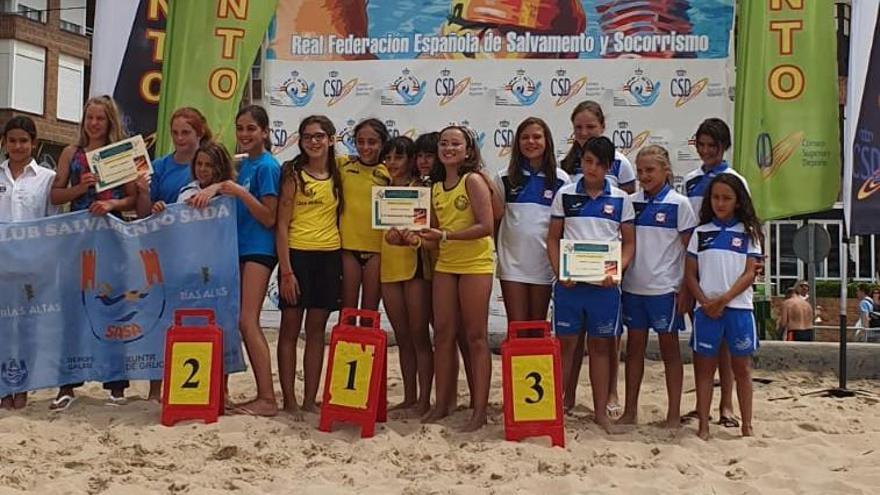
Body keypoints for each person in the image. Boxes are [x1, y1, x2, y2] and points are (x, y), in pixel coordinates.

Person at [191, 105, 281, 416]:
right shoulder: (242, 164)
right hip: (236, 247)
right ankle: (228, 392)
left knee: (247, 320)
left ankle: (267, 398)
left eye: (251, 129)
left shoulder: (267, 166)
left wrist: (238, 191)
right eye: (240, 128)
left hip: (258, 248)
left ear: (265, 132)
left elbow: (269, 217)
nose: (244, 134)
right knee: (234, 320)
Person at [49, 95, 137, 410]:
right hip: (77, 239)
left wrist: (111, 203)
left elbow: (131, 198)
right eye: (90, 118)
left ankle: (116, 385)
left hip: (112, 238)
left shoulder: (119, 153)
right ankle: (67, 384)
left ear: (109, 121)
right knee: (73, 310)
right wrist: (80, 188)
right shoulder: (71, 153)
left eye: (100, 118)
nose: (94, 124)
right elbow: (56, 193)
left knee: (112, 308)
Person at [547, 136, 635, 432]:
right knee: (565, 347)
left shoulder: (622, 199)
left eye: (599, 163)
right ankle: (556, 408)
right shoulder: (565, 194)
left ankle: (599, 413)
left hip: (605, 288)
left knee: (600, 347)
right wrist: (560, 271)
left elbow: (629, 244)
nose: (592, 168)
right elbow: (552, 238)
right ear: (581, 161)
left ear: (609, 167)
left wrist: (617, 271)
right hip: (570, 286)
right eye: (587, 161)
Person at [418, 125, 495, 432]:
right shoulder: (435, 187)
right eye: (444, 143)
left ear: (468, 150)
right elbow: (433, 238)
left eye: (455, 143)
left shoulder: (473, 180)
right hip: (447, 264)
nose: (448, 148)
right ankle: (442, 403)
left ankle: (479, 410)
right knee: (443, 336)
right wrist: (410, 239)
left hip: (475, 263)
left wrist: (445, 235)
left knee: (476, 337)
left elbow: (486, 225)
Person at [619, 145, 696, 428]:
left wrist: (686, 289)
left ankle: (673, 414)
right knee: (634, 351)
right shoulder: (630, 202)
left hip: (665, 290)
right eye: (639, 170)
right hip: (633, 288)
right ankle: (630, 411)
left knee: (670, 353)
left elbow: (691, 253)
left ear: (666, 171)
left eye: (650, 170)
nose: (644, 176)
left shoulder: (680, 204)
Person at [681, 117, 747, 429]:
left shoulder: (735, 178)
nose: (706, 151)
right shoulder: (691, 180)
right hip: (699, 267)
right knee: (703, 343)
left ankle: (727, 404)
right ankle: (702, 405)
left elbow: (746, 224)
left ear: (724, 147)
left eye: (713, 146)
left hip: (725, 269)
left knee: (727, 348)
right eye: (702, 144)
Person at [274, 115, 343, 417]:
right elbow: (281, 226)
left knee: (316, 332)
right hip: (298, 256)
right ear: (300, 142)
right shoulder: (293, 174)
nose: (313, 142)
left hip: (330, 257)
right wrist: (286, 271)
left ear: (330, 139)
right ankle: (289, 399)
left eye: (319, 136)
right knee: (290, 330)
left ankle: (309, 400)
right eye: (307, 137)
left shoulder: (340, 173)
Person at [685, 173, 762, 440]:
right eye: (716, 197)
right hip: (706, 311)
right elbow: (690, 274)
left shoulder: (749, 233)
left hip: (738, 309)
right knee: (705, 369)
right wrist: (706, 302)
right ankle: (703, 425)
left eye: (726, 198)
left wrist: (724, 299)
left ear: (738, 202)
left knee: (742, 368)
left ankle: (747, 425)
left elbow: (750, 274)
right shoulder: (700, 232)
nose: (720, 203)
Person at [0, 116, 56, 410]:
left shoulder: (47, 178)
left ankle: (22, 386)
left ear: (33, 143)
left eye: (23, 141)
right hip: (1, 265)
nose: (18, 146)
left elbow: (53, 221)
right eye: (12, 141)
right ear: (5, 143)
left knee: (26, 329)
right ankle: (2, 388)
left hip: (33, 266)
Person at [495, 117, 570, 323]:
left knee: (537, 326)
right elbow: (496, 221)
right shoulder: (504, 177)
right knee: (517, 325)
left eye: (537, 137)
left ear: (547, 142)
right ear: (517, 143)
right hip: (512, 265)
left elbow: (564, 227)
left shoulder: (561, 178)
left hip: (544, 264)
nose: (531, 142)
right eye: (525, 137)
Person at [381, 136, 433, 415]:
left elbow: (428, 233)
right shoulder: (382, 188)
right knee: (402, 337)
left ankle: (425, 397)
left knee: (419, 335)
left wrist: (413, 239)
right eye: (388, 158)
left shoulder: (421, 189)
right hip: (389, 266)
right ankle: (410, 396)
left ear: (410, 159)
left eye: (398, 158)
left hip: (415, 266)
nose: (391, 163)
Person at [337, 119, 391, 322]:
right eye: (360, 141)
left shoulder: (389, 172)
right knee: (347, 313)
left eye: (372, 142)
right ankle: (345, 353)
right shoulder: (342, 165)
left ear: (382, 143)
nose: (365, 147)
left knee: (369, 315)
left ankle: (367, 354)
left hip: (377, 250)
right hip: (348, 248)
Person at [137, 107, 212, 217]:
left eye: (185, 133)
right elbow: (143, 215)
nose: (179, 138)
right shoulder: (158, 166)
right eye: (175, 132)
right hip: (168, 231)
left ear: (200, 133)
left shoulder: (214, 163)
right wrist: (147, 198)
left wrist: (214, 189)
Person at [560, 101, 637, 193]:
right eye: (578, 127)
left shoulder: (620, 163)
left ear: (602, 127)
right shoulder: (562, 162)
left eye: (590, 127)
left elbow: (628, 202)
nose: (584, 133)